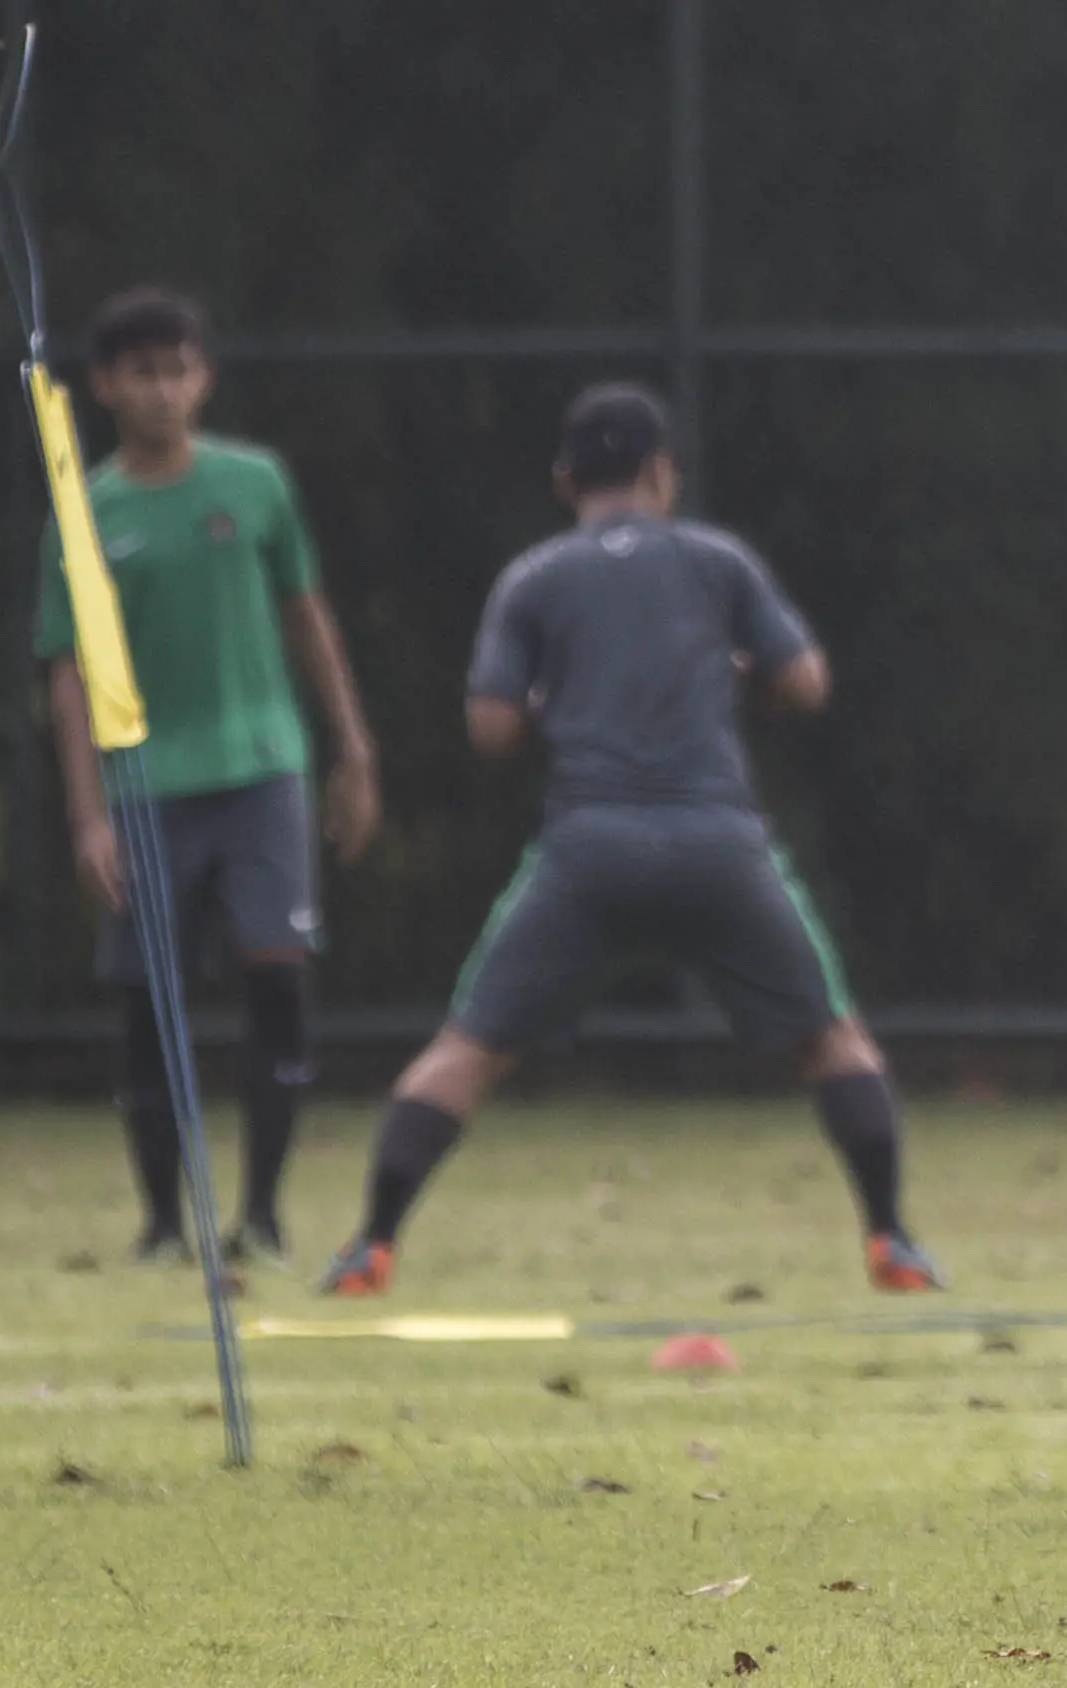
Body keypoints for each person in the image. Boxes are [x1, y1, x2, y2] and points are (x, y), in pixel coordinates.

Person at [314, 383, 939, 1297]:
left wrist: (556, 715)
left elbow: (489, 729)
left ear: (566, 479)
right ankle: (891, 1240)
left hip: (588, 850)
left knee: (468, 1049)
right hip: (717, 846)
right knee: (831, 1040)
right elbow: (804, 683)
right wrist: (741, 683)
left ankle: (372, 1245)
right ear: (660, 472)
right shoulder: (717, 560)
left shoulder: (533, 577)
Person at [36, 287, 381, 1269]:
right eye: (142, 371)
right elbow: (65, 672)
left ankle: (263, 1216)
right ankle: (160, 1223)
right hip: (146, 782)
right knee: (151, 997)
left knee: (278, 978)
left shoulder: (257, 483)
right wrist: (87, 814)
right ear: (105, 385)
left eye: (179, 368)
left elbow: (308, 616)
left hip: (263, 767)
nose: (163, 389)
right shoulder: (85, 513)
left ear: (205, 376)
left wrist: (353, 746)